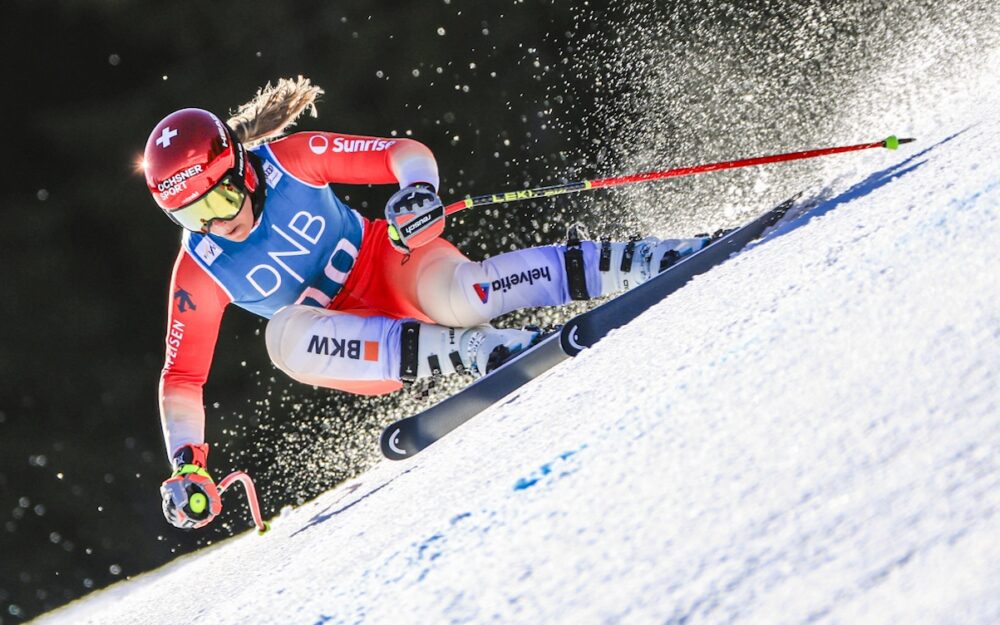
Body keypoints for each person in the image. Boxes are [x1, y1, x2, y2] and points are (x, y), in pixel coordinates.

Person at [145, 77, 710, 529]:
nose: (220, 222)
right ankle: (481, 352)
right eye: (194, 216)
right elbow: (182, 377)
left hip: (391, 265)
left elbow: (402, 153)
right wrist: (188, 466)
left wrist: (416, 192)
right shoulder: (200, 268)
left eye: (220, 197)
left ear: (240, 167)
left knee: (464, 294)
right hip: (356, 344)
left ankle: (647, 259)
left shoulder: (289, 160)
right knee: (283, 338)